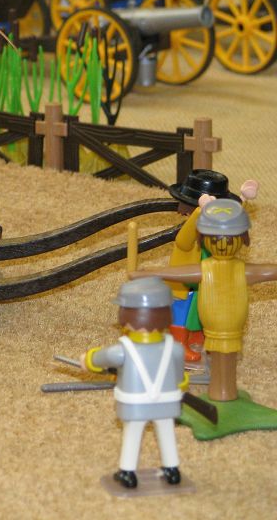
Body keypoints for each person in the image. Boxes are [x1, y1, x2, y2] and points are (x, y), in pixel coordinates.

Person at [132, 200, 277, 401]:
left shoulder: (237, 269)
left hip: (231, 324)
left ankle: (224, 393)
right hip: (214, 324)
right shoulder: (209, 267)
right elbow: (177, 272)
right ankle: (222, 392)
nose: (223, 244)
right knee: (220, 356)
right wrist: (145, 274)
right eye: (215, 239)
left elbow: (268, 271)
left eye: (229, 239)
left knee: (225, 357)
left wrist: (144, 273)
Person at [81, 277, 188, 489]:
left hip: (136, 404)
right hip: (166, 402)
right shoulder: (175, 348)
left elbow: (100, 359)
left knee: (133, 433)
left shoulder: (121, 350)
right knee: (166, 432)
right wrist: (180, 387)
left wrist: (88, 359)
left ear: (127, 316)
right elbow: (180, 379)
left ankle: (128, 472)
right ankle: (172, 470)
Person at [165, 170, 257, 362]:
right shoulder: (194, 223)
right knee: (182, 309)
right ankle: (178, 342)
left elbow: (231, 221)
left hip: (207, 278)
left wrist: (243, 200)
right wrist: (200, 213)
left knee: (200, 308)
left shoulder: (213, 227)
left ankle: (197, 336)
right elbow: (183, 242)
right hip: (185, 280)